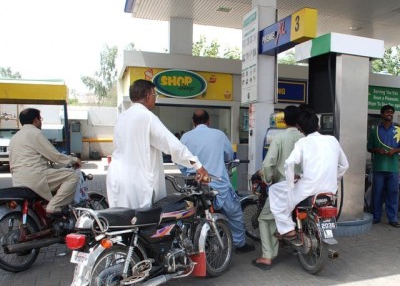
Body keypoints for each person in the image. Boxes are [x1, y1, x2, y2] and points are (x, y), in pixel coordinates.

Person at [106, 79, 208, 209]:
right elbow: (172, 145)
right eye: (155, 95)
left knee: (121, 224)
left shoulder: (122, 117)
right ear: (148, 96)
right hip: (136, 183)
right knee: (143, 225)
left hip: (116, 179)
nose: (155, 99)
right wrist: (197, 165)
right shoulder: (147, 117)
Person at [179, 109, 255, 254]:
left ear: (193, 122)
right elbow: (229, 155)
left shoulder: (185, 137)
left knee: (189, 216)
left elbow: (180, 161)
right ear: (208, 122)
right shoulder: (219, 135)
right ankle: (239, 243)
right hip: (218, 184)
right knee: (235, 212)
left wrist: (188, 173)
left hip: (193, 186)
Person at [269, 110, 349, 239]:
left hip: (308, 189)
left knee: (274, 190)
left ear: (300, 129)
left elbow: (289, 163)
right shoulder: (332, 140)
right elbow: (344, 165)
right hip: (330, 190)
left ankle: (287, 229)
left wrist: (290, 184)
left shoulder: (302, 143)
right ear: (318, 126)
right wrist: (333, 178)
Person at [252, 105, 303, 270]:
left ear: (284, 120)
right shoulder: (305, 138)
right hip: (305, 187)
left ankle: (267, 256)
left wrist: (266, 178)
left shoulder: (280, 138)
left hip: (284, 187)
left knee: (264, 218)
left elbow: (269, 163)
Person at [9, 108, 81, 217]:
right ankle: (53, 206)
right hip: (35, 177)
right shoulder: (35, 133)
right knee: (72, 176)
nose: (41, 121)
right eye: (40, 118)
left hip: (18, 180)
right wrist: (73, 160)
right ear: (35, 120)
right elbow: (54, 156)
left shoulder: (14, 137)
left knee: (56, 175)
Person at [367, 104, 400, 227]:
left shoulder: (398, 129)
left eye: (391, 112)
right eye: (387, 112)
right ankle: (376, 217)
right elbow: (369, 148)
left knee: (393, 192)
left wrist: (395, 151)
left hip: (393, 168)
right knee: (377, 192)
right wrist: (378, 150)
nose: (389, 114)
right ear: (382, 114)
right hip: (379, 167)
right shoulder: (375, 130)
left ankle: (393, 219)